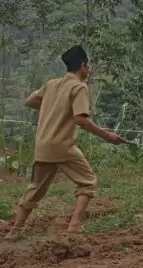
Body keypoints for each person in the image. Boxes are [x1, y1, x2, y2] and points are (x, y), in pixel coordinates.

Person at [9, 45, 127, 238]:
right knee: (88, 182)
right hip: (63, 145)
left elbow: (30, 101)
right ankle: (74, 224)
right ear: (82, 66)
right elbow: (81, 119)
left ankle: (15, 230)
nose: (88, 70)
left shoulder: (51, 84)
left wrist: (53, 109)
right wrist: (107, 136)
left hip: (43, 145)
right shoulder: (79, 87)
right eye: (87, 66)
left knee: (35, 188)